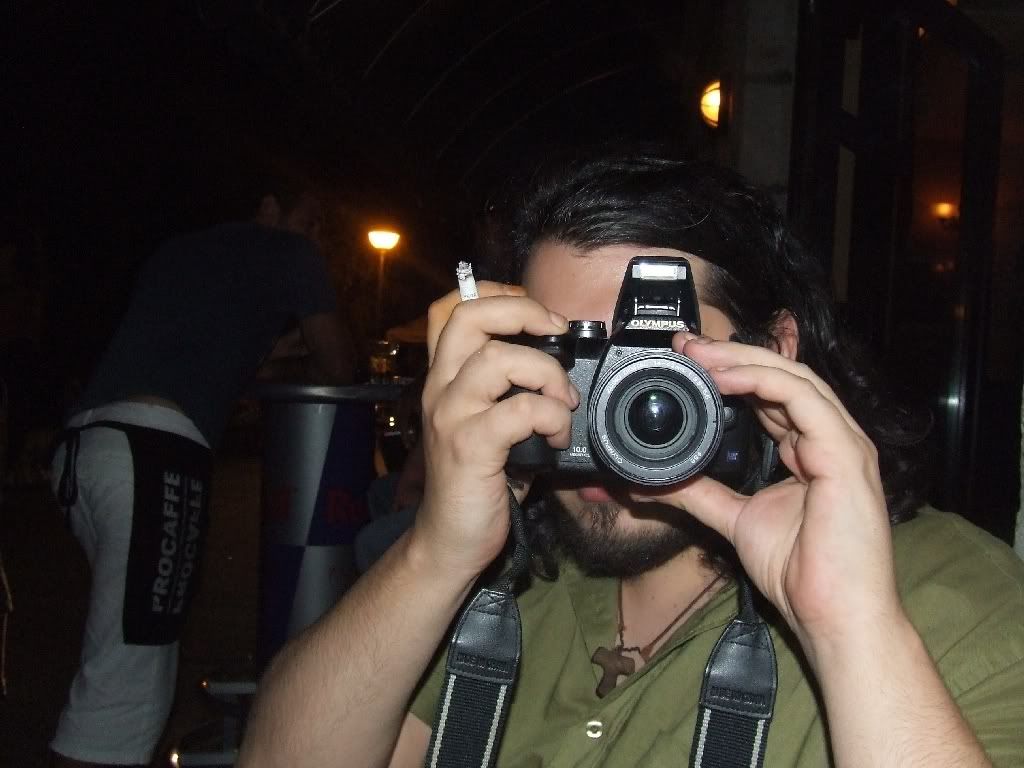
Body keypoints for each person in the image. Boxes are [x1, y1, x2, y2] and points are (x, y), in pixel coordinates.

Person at [237, 147, 1024, 767]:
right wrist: (436, 555)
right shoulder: (494, 593)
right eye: (585, 362)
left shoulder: (956, 607)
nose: (622, 414)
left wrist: (852, 628)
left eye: (658, 365)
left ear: (777, 353)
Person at [50, 174, 355, 768]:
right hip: (153, 458)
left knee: (124, 657)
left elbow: (198, 357)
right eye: (311, 218)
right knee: (123, 691)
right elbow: (339, 364)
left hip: (86, 449)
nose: (316, 234)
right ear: (269, 204)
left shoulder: (183, 250)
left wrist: (272, 354)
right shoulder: (292, 254)